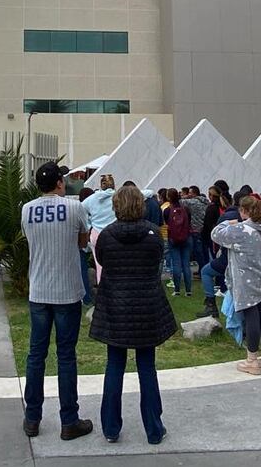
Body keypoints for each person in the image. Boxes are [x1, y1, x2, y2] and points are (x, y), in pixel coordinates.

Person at [89, 186, 176, 444]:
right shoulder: (152, 235)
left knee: (114, 365)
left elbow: (102, 260)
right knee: (147, 367)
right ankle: (153, 428)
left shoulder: (107, 235)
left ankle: (110, 427)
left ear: (116, 206)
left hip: (115, 306)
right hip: (146, 305)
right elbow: (157, 261)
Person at [20, 162, 94, 441]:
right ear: (60, 183)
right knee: (66, 355)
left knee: (35, 355)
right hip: (67, 291)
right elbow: (82, 243)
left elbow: (31, 241)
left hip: (38, 290)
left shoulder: (27, 210)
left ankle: (32, 418)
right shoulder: (75, 208)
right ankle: (69, 420)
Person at [212, 194, 261, 375]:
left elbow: (215, 234)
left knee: (252, 317)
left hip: (246, 281)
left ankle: (252, 359)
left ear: (243, 211)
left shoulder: (241, 230)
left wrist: (229, 223)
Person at [163, 188, 192, 296]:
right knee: (186, 264)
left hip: (173, 238)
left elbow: (167, 223)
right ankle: (188, 290)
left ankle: (177, 289)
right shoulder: (186, 209)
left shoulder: (167, 210)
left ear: (168, 197)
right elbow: (189, 221)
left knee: (176, 264)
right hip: (186, 237)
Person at [182, 185, 210, 273]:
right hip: (204, 228)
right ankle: (206, 268)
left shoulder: (193, 202)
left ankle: (202, 270)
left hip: (196, 229)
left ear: (194, 193)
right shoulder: (205, 201)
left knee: (198, 252)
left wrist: (184, 196)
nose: (188, 194)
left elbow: (180, 202)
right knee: (204, 251)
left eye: (190, 193)